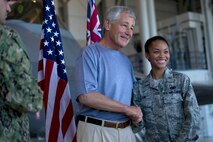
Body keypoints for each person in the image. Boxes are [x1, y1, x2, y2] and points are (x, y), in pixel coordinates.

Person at [74, 6, 142, 142]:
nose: (129, 32)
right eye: (124, 25)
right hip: (97, 131)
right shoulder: (89, 53)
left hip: (126, 132)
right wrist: (126, 109)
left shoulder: (126, 61)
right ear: (108, 24)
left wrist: (136, 114)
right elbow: (87, 96)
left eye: (132, 28)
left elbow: (134, 98)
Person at [132, 35, 200, 142]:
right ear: (147, 55)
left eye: (166, 51)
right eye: (156, 52)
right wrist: (137, 120)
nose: (162, 55)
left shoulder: (181, 80)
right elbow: (137, 127)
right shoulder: (139, 87)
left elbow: (193, 116)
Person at [0, 0, 43, 141]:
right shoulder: (5, 38)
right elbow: (26, 98)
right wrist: (38, 93)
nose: (8, 9)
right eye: (5, 2)